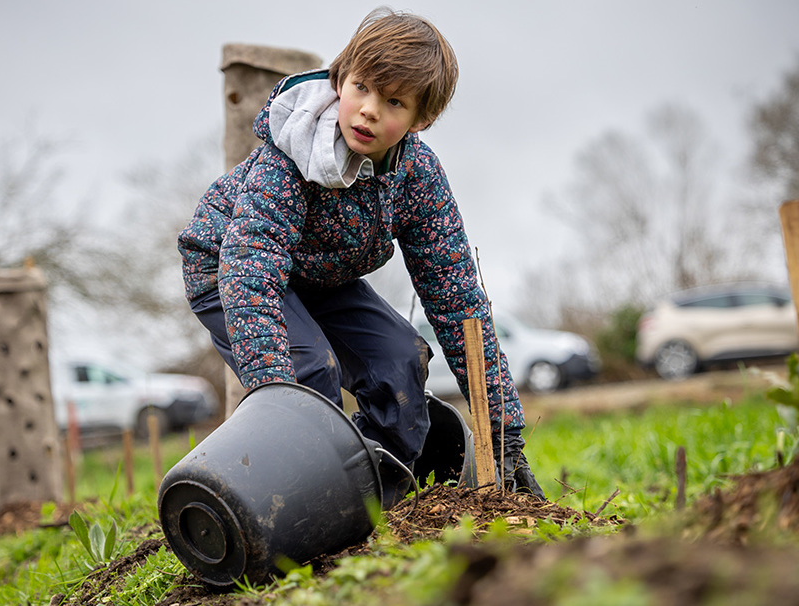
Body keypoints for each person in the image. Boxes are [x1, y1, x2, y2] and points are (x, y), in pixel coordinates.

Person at [177, 7, 544, 498]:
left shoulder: (417, 178)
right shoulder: (292, 159)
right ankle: (305, 506)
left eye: (394, 102)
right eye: (361, 89)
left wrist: (505, 433)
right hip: (229, 268)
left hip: (318, 278)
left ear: (422, 119)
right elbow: (251, 273)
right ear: (340, 79)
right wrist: (280, 406)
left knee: (401, 361)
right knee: (308, 371)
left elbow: (456, 300)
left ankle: (374, 501)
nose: (370, 110)